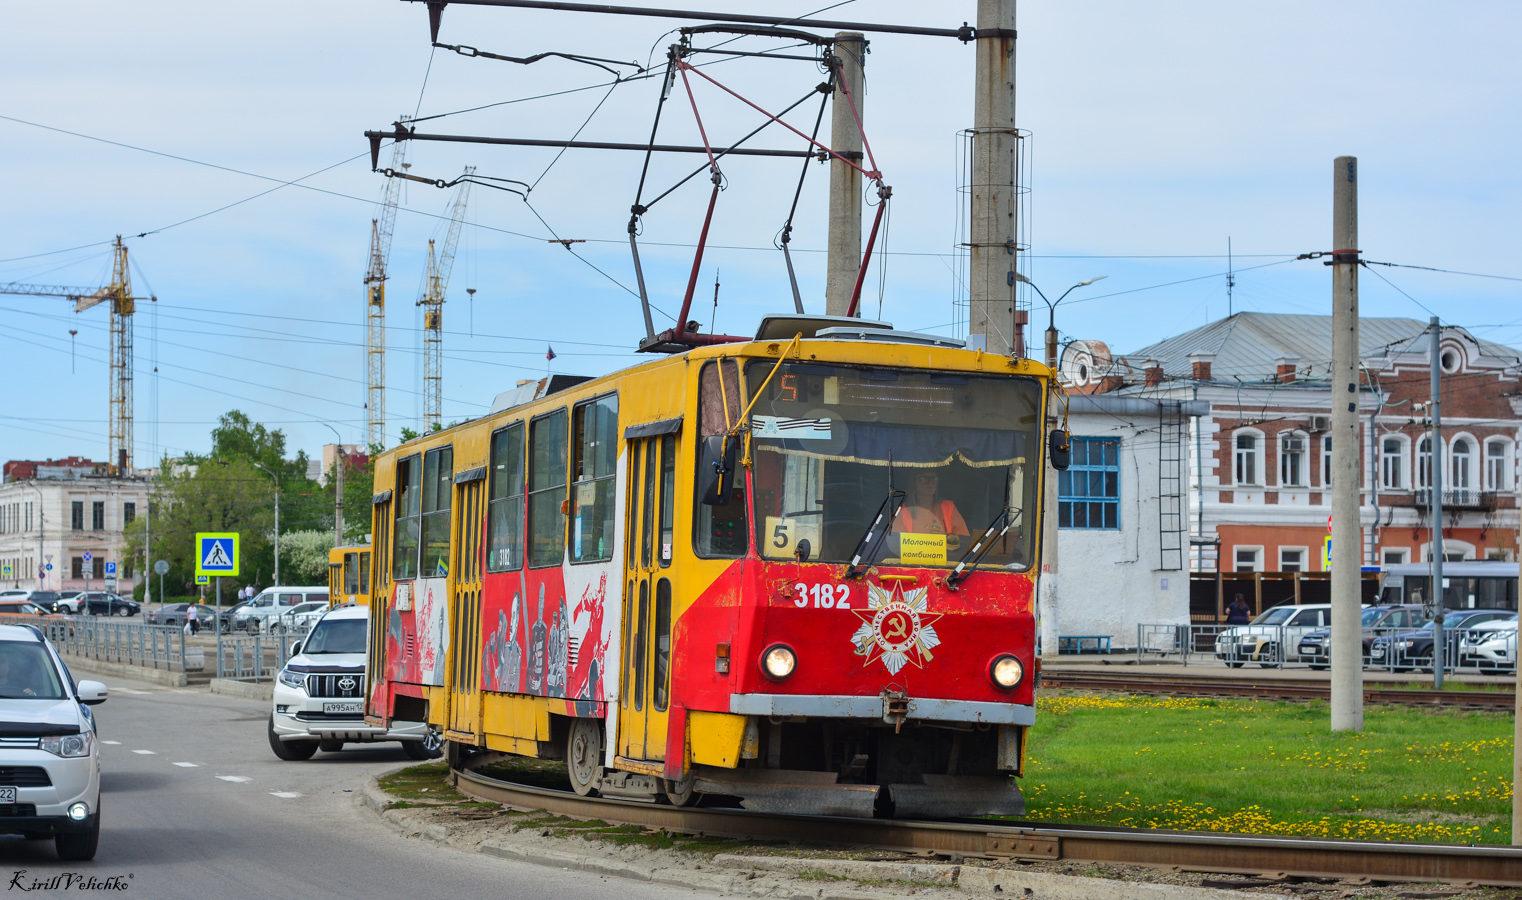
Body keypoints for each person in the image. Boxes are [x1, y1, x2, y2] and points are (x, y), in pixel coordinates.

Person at [892, 471, 970, 543]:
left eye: (934, 479)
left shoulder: (948, 508)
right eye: (924, 479)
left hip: (945, 554)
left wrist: (944, 537)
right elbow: (896, 544)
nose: (930, 483)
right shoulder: (903, 511)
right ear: (913, 483)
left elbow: (964, 540)